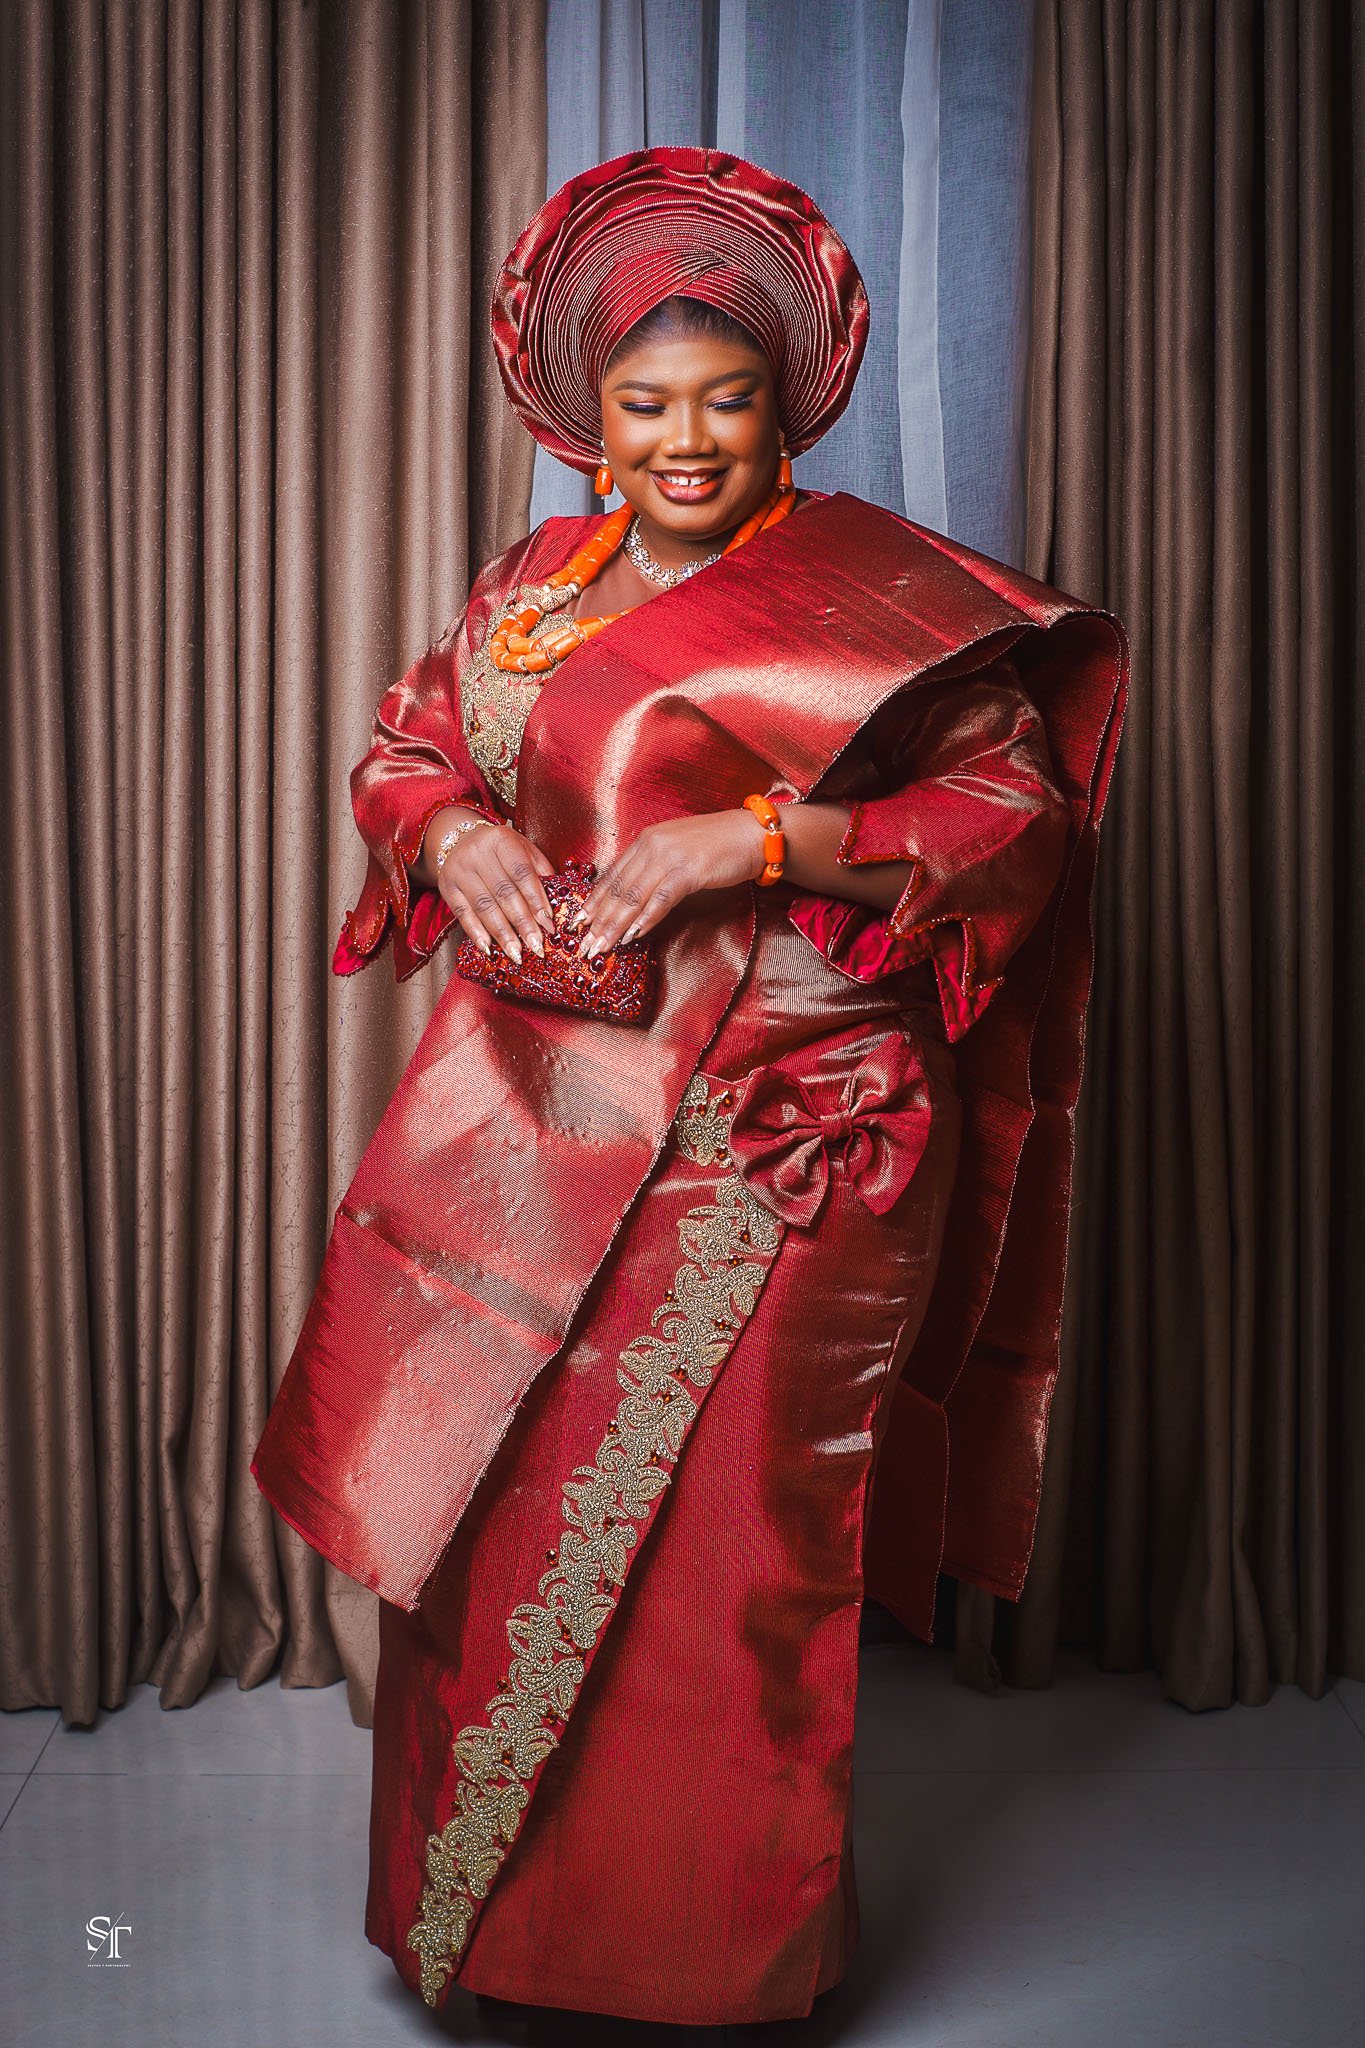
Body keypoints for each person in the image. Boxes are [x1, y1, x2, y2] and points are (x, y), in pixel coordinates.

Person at [252, 147, 1126, 2030]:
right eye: (646, 404)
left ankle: (708, 1972)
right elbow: (411, 741)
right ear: (586, 414)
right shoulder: (531, 589)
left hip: (780, 1136)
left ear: (784, 404)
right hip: (536, 1119)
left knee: (729, 1560)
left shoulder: (876, 597)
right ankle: (497, 1942)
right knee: (488, 1510)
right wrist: (452, 829)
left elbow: (1010, 818)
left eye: (723, 401)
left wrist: (763, 838)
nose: (683, 440)